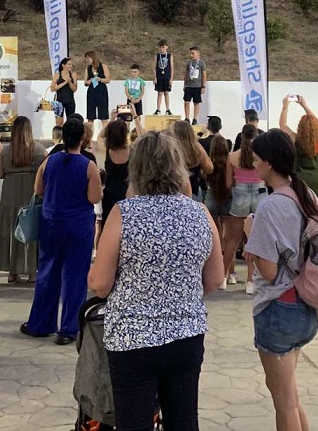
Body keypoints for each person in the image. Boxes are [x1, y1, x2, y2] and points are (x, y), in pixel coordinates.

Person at [88, 130, 224, 430]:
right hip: (186, 335)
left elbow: (99, 283)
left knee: (134, 422)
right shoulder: (199, 213)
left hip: (132, 338)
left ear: (136, 167)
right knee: (184, 420)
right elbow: (215, 278)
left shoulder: (124, 213)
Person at [243, 130, 318, 431]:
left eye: (256, 158)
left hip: (278, 309)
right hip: (305, 304)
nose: (253, 163)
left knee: (284, 402)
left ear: (268, 163)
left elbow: (268, 271)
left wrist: (251, 233)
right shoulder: (305, 194)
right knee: (289, 394)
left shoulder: (270, 206)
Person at [20, 119, 102, 345]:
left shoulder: (49, 161)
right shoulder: (88, 166)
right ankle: (68, 328)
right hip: (78, 226)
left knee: (47, 273)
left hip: (51, 223)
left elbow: (38, 190)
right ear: (83, 138)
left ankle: (40, 323)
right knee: (75, 277)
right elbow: (94, 197)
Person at [0, 116, 45, 283]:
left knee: (10, 231)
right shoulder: (40, 151)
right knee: (31, 231)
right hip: (30, 195)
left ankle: (12, 272)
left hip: (10, 196)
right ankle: (32, 272)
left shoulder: (6, 152)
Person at [223, 124, 265, 293]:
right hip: (260, 195)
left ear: (241, 136)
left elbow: (228, 183)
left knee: (232, 239)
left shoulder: (232, 157)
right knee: (254, 240)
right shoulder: (261, 155)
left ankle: (223, 277)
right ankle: (250, 281)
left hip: (239, 195)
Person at [278, 95, 318, 202]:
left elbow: (283, 125)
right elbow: (316, 123)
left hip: (301, 181)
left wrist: (285, 106)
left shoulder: (296, 140)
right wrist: (304, 105)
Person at [205, 134, 234, 268]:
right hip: (227, 198)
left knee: (215, 237)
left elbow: (204, 178)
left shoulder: (209, 163)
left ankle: (215, 267)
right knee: (230, 239)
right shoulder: (230, 162)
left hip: (212, 198)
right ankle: (230, 271)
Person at [100, 117, 131, 227]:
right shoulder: (132, 150)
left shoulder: (108, 150)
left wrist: (111, 119)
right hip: (127, 194)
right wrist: (135, 116)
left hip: (110, 194)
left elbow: (100, 136)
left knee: (108, 226)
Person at [173, 118, 213, 203]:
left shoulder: (170, 149)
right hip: (193, 190)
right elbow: (209, 169)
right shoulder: (196, 149)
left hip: (173, 191)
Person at [85, 50, 110, 137]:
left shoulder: (103, 66)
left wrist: (100, 79)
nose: (87, 60)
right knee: (90, 117)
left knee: (103, 116)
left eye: (88, 58)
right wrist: (89, 81)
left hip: (101, 92)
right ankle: (89, 137)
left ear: (93, 57)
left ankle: (107, 137)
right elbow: (85, 82)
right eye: (86, 58)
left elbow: (108, 79)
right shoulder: (88, 68)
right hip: (92, 93)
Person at [182, 46, 208, 126]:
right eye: (190, 53)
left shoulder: (201, 63)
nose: (191, 55)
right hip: (189, 86)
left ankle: (195, 118)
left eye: (193, 53)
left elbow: (204, 75)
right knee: (186, 102)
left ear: (197, 53)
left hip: (197, 86)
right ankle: (187, 118)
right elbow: (186, 74)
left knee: (196, 103)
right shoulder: (189, 63)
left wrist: (203, 86)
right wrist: (185, 84)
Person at [51, 57, 78, 126]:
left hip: (70, 101)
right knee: (59, 123)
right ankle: (58, 133)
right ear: (63, 65)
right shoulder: (57, 75)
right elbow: (52, 89)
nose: (71, 66)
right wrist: (65, 82)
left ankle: (69, 133)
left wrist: (69, 82)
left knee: (71, 122)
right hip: (59, 101)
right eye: (69, 64)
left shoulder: (73, 75)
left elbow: (74, 89)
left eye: (71, 64)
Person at [153, 39, 175, 116]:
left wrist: (171, 79)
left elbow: (172, 68)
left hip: (167, 77)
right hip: (159, 77)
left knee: (166, 93)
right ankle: (158, 109)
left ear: (167, 47)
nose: (162, 48)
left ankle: (167, 109)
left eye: (163, 47)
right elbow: (155, 68)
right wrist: (155, 77)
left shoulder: (169, 56)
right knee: (159, 93)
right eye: (160, 47)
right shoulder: (157, 56)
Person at [124, 63, 147, 135]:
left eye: (135, 72)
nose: (133, 73)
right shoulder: (128, 81)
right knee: (128, 115)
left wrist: (139, 99)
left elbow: (142, 91)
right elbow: (126, 90)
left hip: (138, 100)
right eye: (132, 72)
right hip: (130, 100)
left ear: (138, 72)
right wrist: (130, 97)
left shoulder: (141, 81)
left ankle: (138, 130)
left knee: (138, 115)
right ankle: (127, 129)